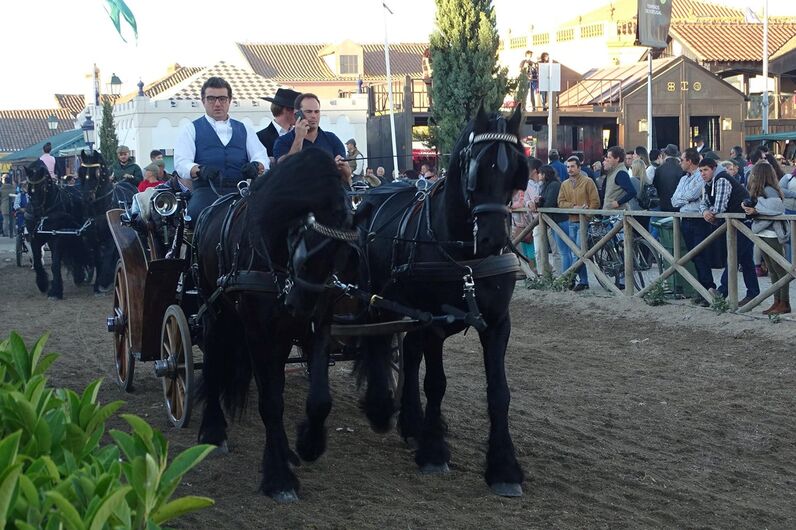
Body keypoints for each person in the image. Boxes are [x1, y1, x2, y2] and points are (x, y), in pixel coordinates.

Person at [174, 76, 268, 221]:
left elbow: (261, 156)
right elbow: (181, 162)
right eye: (211, 98)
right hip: (206, 192)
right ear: (203, 101)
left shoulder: (245, 129)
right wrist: (199, 170)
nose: (217, 104)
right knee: (194, 216)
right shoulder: (191, 129)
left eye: (222, 99)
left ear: (229, 101)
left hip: (241, 191)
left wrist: (257, 165)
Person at [697, 157, 758, 306]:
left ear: (713, 168)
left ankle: (722, 293)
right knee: (745, 259)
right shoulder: (709, 183)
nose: (702, 174)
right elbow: (704, 202)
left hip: (741, 223)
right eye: (700, 171)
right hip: (734, 224)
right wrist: (705, 211)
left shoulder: (722, 179)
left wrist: (709, 213)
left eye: (705, 170)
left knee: (734, 257)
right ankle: (753, 293)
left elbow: (720, 207)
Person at [743, 161, 790, 314]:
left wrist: (755, 211)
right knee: (772, 270)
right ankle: (777, 301)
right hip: (764, 233)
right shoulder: (764, 191)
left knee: (779, 270)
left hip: (771, 234)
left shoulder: (770, 191)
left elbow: (775, 210)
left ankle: (784, 302)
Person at [272, 93, 351, 183]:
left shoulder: (332, 139)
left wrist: (345, 170)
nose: (314, 116)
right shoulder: (283, 141)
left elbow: (346, 181)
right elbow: (284, 170)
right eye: (309, 112)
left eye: (317, 112)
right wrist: (299, 138)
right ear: (297, 114)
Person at [672, 148, 715, 304]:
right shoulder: (684, 179)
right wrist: (686, 199)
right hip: (686, 220)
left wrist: (685, 198)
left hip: (698, 220)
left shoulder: (700, 176)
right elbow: (674, 200)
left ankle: (708, 289)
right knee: (693, 256)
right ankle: (701, 289)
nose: (680, 163)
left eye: (682, 160)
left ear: (689, 161)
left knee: (700, 255)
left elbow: (693, 195)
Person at [557, 156, 600, 291]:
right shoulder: (564, 184)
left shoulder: (588, 182)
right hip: (571, 221)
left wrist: (587, 215)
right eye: (568, 167)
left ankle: (569, 278)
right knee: (576, 252)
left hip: (584, 222)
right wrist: (574, 206)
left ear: (579, 168)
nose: (570, 169)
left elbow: (595, 202)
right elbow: (560, 202)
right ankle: (583, 281)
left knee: (578, 253)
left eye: (572, 166)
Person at [256, 87, 302, 164]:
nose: (300, 114)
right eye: (297, 110)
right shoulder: (260, 138)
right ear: (287, 110)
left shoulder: (300, 134)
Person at [601, 146, 636, 210]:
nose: (607, 159)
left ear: (617, 159)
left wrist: (618, 202)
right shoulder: (613, 170)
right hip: (610, 212)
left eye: (609, 157)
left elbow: (632, 192)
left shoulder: (621, 173)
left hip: (616, 214)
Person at [653, 144, 683, 212]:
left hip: (663, 204)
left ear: (665, 154)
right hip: (678, 205)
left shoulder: (659, 169)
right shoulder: (681, 169)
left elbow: (655, 186)